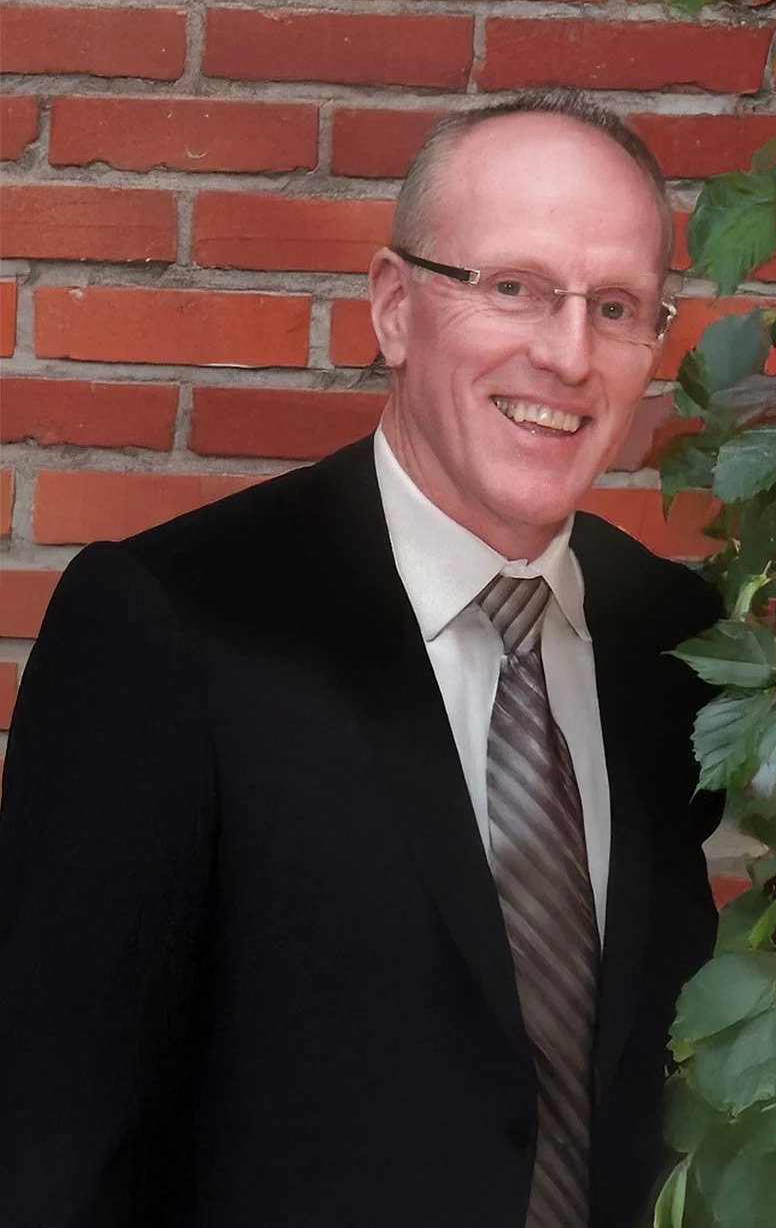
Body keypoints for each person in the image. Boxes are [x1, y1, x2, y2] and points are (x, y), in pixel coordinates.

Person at [0, 89, 723, 1228]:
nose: (567, 352)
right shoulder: (170, 628)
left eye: (617, 306)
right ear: (395, 306)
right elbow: (55, 1145)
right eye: (513, 288)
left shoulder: (676, 642)